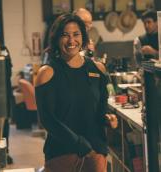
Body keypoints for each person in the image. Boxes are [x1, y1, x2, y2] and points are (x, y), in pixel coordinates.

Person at [35, 13, 118, 172]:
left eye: (76, 34)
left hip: (95, 152)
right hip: (61, 154)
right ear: (57, 39)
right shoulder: (47, 73)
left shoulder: (98, 69)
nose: (71, 40)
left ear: (84, 37)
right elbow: (48, 120)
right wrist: (80, 145)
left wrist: (108, 118)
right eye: (65, 35)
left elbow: (102, 106)